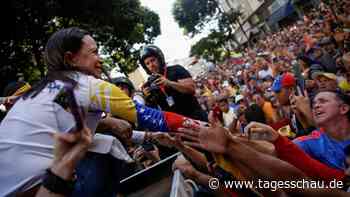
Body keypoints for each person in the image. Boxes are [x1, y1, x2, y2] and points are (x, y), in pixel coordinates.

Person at [0, 27, 201, 197]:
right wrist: (206, 129)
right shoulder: (88, 85)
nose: (100, 59)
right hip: (41, 188)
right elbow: (155, 118)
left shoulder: (41, 90)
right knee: (105, 149)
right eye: (94, 52)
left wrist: (112, 124)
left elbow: (64, 129)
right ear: (70, 59)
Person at [139, 45, 208, 121]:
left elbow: (191, 89)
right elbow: (153, 109)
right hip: (177, 124)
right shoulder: (149, 83)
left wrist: (169, 83)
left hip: (195, 116)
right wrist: (147, 98)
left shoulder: (176, 69)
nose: (151, 65)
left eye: (153, 60)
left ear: (159, 59)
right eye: (147, 64)